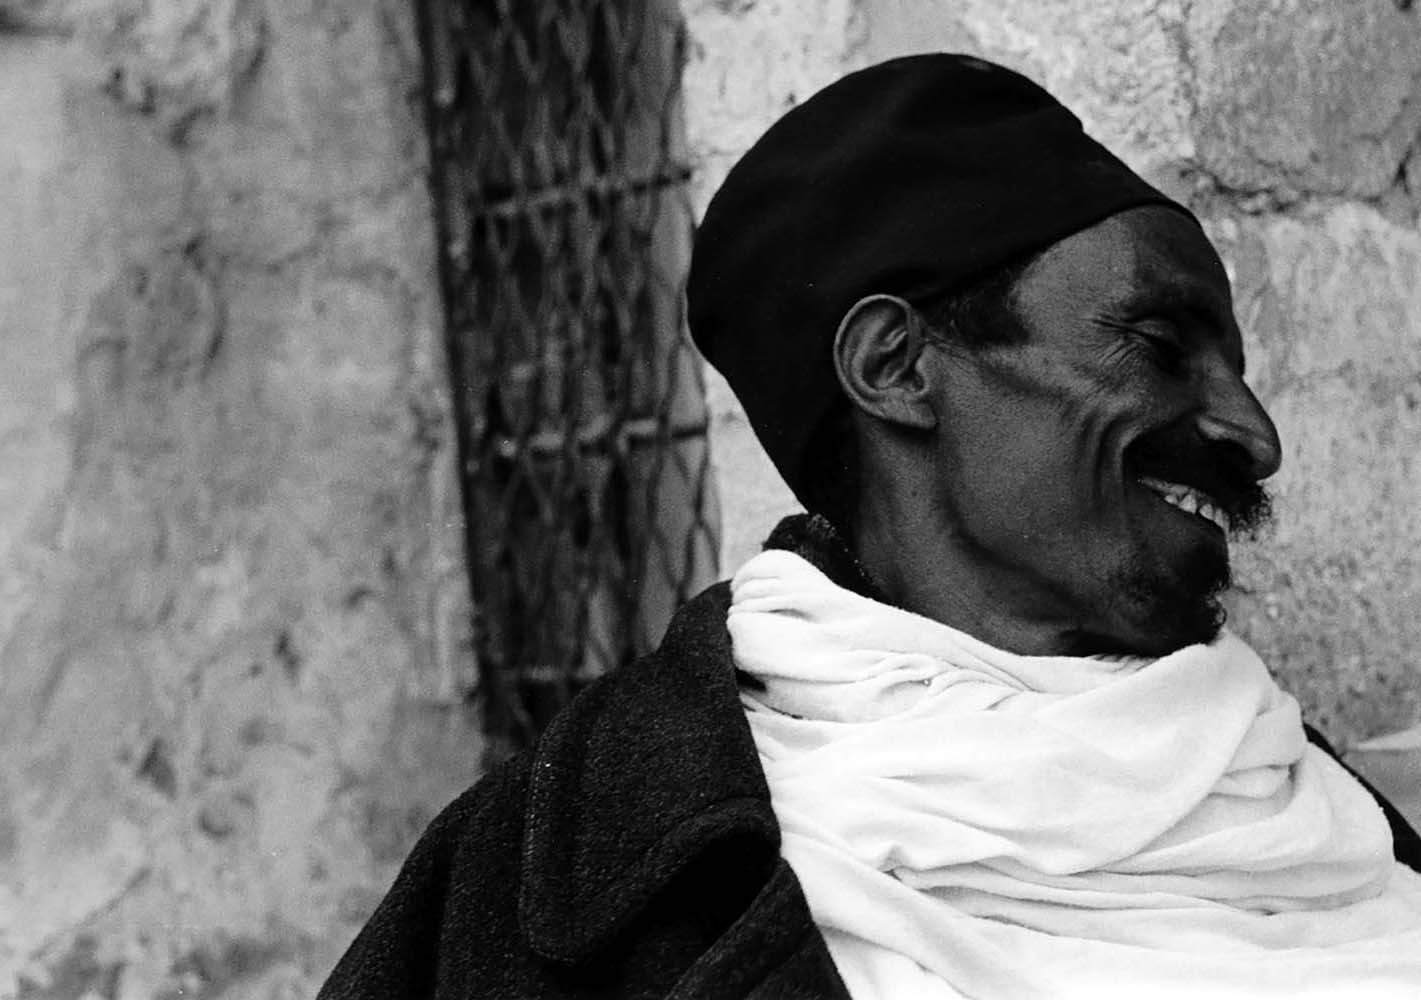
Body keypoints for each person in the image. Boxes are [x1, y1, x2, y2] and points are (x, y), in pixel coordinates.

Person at [320, 54, 1421, 999]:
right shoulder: (551, 882)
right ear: (894, 368)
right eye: (1156, 346)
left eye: (1234, 366)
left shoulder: (1308, 810)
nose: (1253, 432)